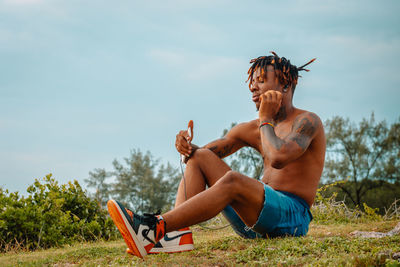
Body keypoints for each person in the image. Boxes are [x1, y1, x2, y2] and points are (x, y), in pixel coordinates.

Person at [107, 51, 326, 258]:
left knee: (233, 180)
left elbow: (278, 157)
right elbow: (201, 155)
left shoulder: (307, 122)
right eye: (252, 81)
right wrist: (186, 147)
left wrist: (265, 118)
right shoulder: (251, 128)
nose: (252, 87)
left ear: (285, 85)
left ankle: (153, 226)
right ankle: (174, 235)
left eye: (260, 80)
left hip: (292, 218)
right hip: (251, 222)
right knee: (200, 157)